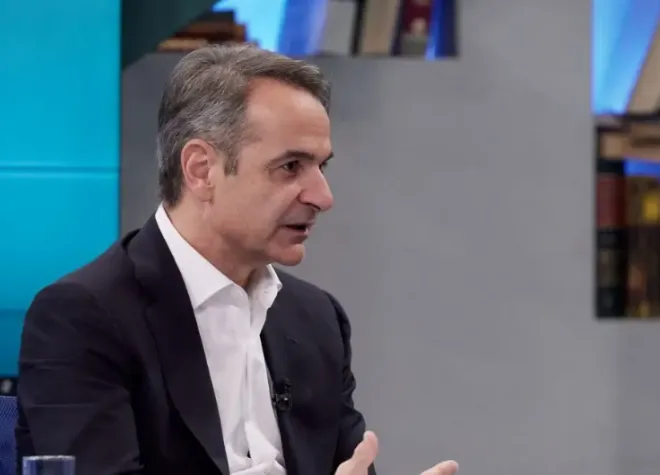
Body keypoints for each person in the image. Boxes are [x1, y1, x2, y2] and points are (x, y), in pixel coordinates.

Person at [15, 44, 459, 475]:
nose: (322, 197)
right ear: (201, 170)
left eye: (321, 166)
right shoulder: (83, 317)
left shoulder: (317, 320)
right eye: (290, 167)